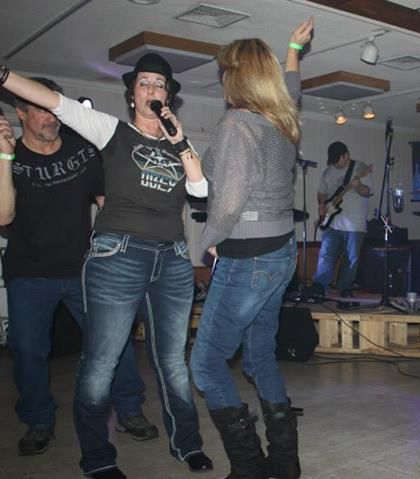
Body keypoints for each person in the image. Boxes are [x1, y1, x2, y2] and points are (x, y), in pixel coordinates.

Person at [1, 53, 212, 478]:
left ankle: (187, 444)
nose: (152, 89)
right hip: (119, 256)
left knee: (173, 361)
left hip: (172, 258)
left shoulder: (177, 144)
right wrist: (4, 75)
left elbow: (200, 191)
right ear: (132, 95)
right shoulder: (112, 131)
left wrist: (180, 140)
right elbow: (54, 102)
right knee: (101, 363)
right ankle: (98, 458)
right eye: (144, 83)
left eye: (159, 84)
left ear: (168, 96)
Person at [0, 79, 159, 457]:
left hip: (83, 269)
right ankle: (39, 421)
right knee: (28, 350)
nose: (51, 117)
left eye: (53, 109)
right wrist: (4, 158)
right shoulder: (10, 155)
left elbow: (108, 203)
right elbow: (4, 216)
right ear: (20, 112)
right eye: (41, 109)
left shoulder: (82, 152)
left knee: (113, 341)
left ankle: (129, 409)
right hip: (28, 273)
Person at [189, 18, 313, 479]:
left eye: (226, 71)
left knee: (206, 364)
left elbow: (227, 203)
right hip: (281, 252)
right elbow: (293, 90)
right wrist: (294, 50)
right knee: (259, 357)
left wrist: (207, 244)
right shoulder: (282, 118)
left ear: (237, 76)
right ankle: (284, 463)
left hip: (249, 256)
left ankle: (249, 468)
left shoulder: (238, 123)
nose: (222, 78)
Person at [311, 141, 372, 298]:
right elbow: (322, 192)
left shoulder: (360, 168)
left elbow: (367, 192)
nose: (335, 165)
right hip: (333, 222)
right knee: (326, 254)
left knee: (351, 259)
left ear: (346, 155)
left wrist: (357, 185)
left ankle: (345, 288)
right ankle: (320, 287)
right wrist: (321, 204)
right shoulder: (328, 172)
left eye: (338, 160)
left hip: (355, 224)